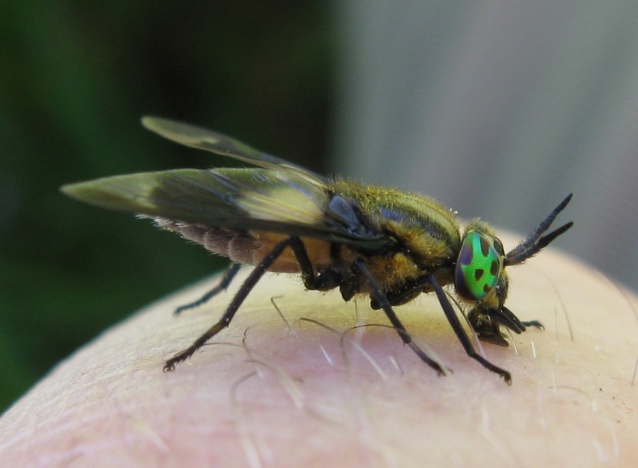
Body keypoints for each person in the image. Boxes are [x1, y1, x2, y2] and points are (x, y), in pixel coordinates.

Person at [1, 236, 636, 466]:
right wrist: (423, 344)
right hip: (308, 240)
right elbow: (364, 265)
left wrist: (497, 314)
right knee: (284, 247)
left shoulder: (441, 259)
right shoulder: (419, 257)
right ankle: (212, 326)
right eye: (485, 270)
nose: (486, 275)